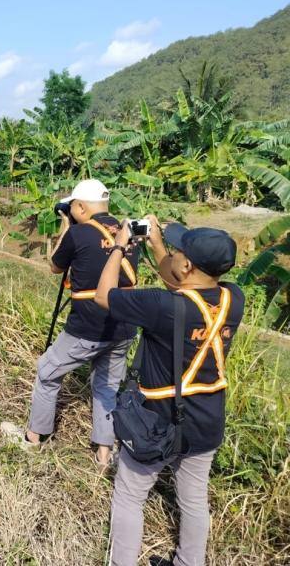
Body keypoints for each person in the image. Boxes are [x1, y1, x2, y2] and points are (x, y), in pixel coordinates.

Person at [95, 219, 244, 566]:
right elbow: (181, 283)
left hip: (156, 420)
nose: (173, 255)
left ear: (188, 265)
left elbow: (104, 295)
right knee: (194, 499)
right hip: (206, 420)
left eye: (178, 252)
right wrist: (159, 246)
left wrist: (119, 246)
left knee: (130, 495)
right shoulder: (233, 298)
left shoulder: (160, 306)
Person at [10, 179, 140, 467]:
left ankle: (35, 437)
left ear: (80, 207)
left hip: (87, 327)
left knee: (47, 371)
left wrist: (66, 226)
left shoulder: (78, 233)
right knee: (106, 387)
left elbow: (56, 265)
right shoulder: (129, 232)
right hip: (124, 327)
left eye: (72, 207)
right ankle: (104, 453)